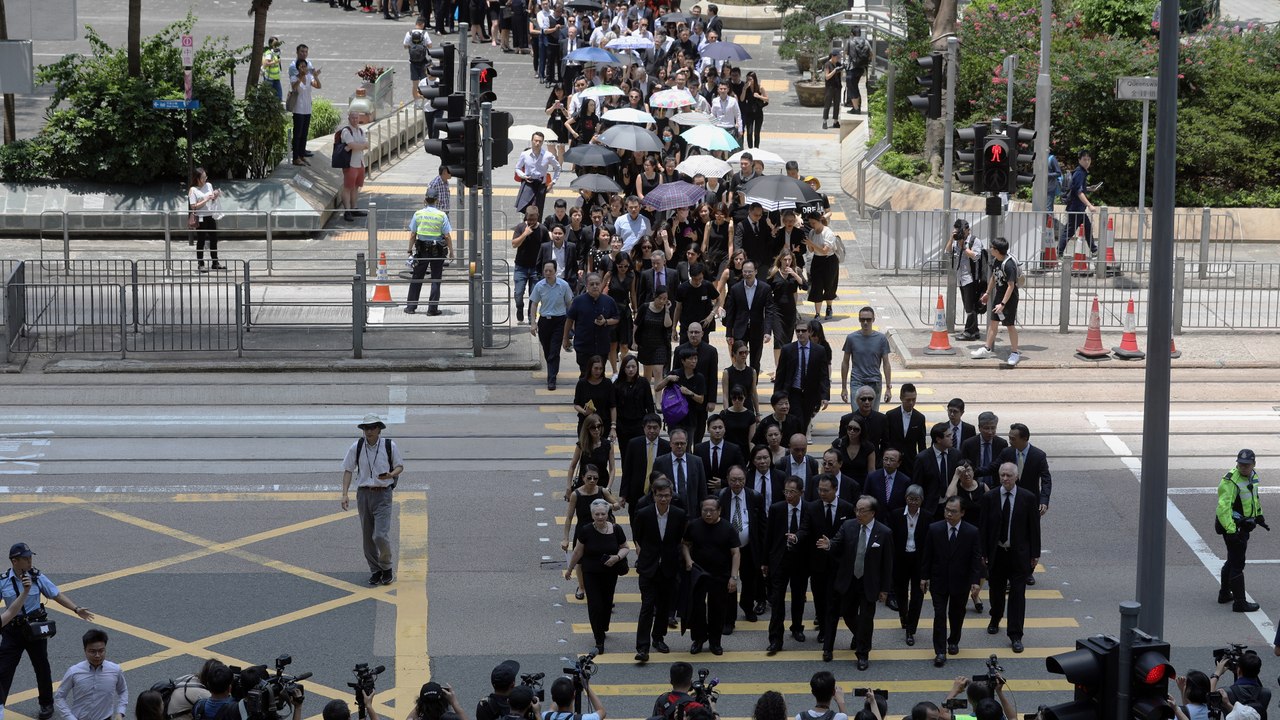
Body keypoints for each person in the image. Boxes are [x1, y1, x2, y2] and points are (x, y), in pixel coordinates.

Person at [1, 545, 95, 720]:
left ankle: (46, 703)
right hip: (12, 631)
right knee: (4, 669)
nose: (30, 561)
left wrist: (76, 609)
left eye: (30, 557)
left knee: (42, 667)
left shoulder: (37, 577)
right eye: (26, 558)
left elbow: (56, 594)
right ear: (15, 561)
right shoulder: (3, 581)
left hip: (34, 630)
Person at [816, 495, 892, 669]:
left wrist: (885, 589)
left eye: (862, 511)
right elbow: (837, 542)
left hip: (869, 582)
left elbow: (887, 564)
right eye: (856, 509)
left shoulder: (884, 532)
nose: (858, 513)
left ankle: (863, 654)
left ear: (872, 513)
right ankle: (861, 637)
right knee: (848, 613)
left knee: (866, 618)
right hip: (849, 579)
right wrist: (829, 545)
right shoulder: (848, 526)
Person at [980, 462, 1040, 654]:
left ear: (1016, 477)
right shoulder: (990, 497)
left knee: (1017, 595)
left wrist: (1035, 554)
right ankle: (995, 617)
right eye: (1002, 475)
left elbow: (1034, 528)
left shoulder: (1028, 498)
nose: (1005, 479)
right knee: (996, 591)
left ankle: (1015, 635)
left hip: (1019, 555)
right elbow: (984, 527)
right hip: (997, 553)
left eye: (1009, 475)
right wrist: (983, 552)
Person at [340, 414, 405, 586]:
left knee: (380, 535)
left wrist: (391, 475)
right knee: (368, 537)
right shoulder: (357, 446)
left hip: (383, 495)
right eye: (365, 428)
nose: (368, 431)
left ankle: (387, 567)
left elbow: (399, 466)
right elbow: (348, 470)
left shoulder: (389, 446)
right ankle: (375, 570)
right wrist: (344, 494)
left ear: (379, 429)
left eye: (372, 428)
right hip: (364, 495)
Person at [919, 497, 983, 667]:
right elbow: (927, 555)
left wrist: (975, 581)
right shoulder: (934, 529)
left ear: (962, 513)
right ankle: (940, 651)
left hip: (960, 581)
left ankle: (953, 640)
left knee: (957, 613)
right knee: (939, 614)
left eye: (953, 511)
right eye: (947, 510)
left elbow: (975, 559)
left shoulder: (971, 532)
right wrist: (924, 577)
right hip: (939, 580)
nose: (948, 514)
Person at [632, 477, 688, 662]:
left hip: (669, 567)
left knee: (664, 607)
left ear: (671, 496)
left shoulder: (679, 514)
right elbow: (638, 536)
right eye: (660, 496)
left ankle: (658, 638)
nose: (663, 499)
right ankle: (642, 647)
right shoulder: (644, 514)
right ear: (654, 496)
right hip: (648, 567)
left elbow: (679, 539)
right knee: (647, 606)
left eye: (667, 495)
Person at [565, 498, 631, 654]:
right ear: (592, 515)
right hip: (591, 574)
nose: (600, 517)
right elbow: (578, 552)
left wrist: (617, 557)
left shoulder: (616, 529)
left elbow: (625, 547)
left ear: (608, 514)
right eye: (597, 514)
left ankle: (603, 626)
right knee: (595, 606)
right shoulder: (586, 530)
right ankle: (599, 640)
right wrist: (570, 569)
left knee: (607, 604)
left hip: (610, 573)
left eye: (603, 514)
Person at [682, 497, 740, 656]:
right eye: (704, 510)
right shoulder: (694, 525)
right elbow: (685, 544)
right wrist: (688, 560)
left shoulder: (728, 528)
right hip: (698, 574)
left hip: (720, 575)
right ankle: (698, 639)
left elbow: (735, 553)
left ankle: (715, 641)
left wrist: (733, 577)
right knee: (697, 608)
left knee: (718, 609)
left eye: (711, 511)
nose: (708, 514)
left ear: (719, 511)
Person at [764, 477, 810, 654]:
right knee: (777, 600)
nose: (788, 495)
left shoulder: (809, 508)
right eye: (786, 491)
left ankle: (797, 627)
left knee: (798, 597)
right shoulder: (777, 508)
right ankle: (775, 638)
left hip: (801, 561)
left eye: (792, 492)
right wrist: (765, 561)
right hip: (780, 559)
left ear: (801, 493)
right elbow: (769, 535)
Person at [1215, 449, 1263, 613]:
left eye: (1246, 465)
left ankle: (1224, 594)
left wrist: (1259, 515)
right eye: (1240, 464)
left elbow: (1254, 498)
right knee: (1237, 563)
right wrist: (1231, 531)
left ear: (1253, 464)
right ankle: (1240, 603)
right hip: (1233, 527)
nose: (1243, 467)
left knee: (1232, 559)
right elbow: (1223, 508)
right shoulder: (1231, 481)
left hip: (1242, 526)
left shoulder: (1253, 476)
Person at [719, 465, 766, 632]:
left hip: (749, 548)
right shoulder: (721, 496)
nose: (737, 483)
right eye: (733, 480)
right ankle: (728, 619)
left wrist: (763, 553)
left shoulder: (755, 496)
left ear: (745, 479)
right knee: (729, 582)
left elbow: (762, 526)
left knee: (750, 581)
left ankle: (747, 606)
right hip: (728, 550)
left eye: (740, 480)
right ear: (727, 479)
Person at [52, 629, 127, 720]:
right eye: (92, 651)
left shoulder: (115, 670)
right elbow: (60, 696)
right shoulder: (74, 672)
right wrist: (70, 717)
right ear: (85, 650)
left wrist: (120, 712)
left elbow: (123, 691)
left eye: (101, 651)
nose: (97, 655)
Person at [970, 236, 1021, 365]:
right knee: (993, 323)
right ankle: (987, 348)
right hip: (999, 295)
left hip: (1009, 299)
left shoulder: (1009, 265)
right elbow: (994, 277)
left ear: (997, 250)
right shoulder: (996, 261)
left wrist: (1003, 304)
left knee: (1010, 325)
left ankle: (1015, 353)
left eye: (992, 247)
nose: (990, 249)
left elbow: (1011, 286)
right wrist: (987, 292)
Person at [888, 485, 928, 647]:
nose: (913, 502)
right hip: (900, 560)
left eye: (916, 499)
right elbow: (890, 539)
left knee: (918, 596)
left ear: (921, 501)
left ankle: (911, 630)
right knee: (901, 594)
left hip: (919, 561)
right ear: (905, 499)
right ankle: (904, 616)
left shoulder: (927, 517)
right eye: (910, 498)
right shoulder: (896, 515)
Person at [773, 323, 829, 434]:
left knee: (804, 423)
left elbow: (823, 375)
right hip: (793, 393)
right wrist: (776, 396)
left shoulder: (819, 350)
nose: (800, 333)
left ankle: (798, 442)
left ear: (809, 332)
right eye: (798, 331)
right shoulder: (787, 349)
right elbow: (780, 375)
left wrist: (825, 396)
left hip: (811, 394)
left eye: (803, 331)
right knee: (797, 421)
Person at [404, 190, 453, 316]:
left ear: (425, 200)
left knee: (417, 277)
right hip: (438, 251)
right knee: (436, 279)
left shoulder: (418, 214)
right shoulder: (441, 215)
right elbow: (447, 236)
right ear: (437, 200)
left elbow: (413, 234)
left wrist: (409, 250)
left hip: (422, 251)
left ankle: (411, 307)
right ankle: (432, 309)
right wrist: (451, 252)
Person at [723, 260, 776, 372]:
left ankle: (753, 382)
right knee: (739, 359)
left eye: (750, 271)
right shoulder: (735, 289)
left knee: (755, 361)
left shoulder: (765, 288)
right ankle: (740, 381)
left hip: (757, 329)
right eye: (745, 271)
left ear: (756, 271)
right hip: (739, 329)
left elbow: (769, 311)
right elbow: (730, 312)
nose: (747, 274)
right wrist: (729, 333)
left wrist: (767, 331)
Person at [564, 273, 620, 376]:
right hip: (584, 346)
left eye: (597, 284)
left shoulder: (609, 301)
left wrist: (606, 322)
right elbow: (569, 320)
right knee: (585, 374)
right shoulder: (578, 301)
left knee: (599, 374)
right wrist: (565, 338)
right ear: (587, 286)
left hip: (602, 346)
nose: (595, 286)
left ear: (601, 284)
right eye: (592, 284)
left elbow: (616, 318)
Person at [530, 261, 574, 391]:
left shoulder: (563, 285)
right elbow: (534, 304)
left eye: (550, 271)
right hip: (544, 321)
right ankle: (553, 369)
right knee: (547, 350)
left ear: (556, 271)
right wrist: (533, 323)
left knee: (554, 351)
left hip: (559, 321)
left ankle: (551, 379)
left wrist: (572, 322)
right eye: (546, 271)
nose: (548, 273)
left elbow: (570, 304)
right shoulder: (539, 286)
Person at [840, 306, 892, 411]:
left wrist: (888, 388)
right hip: (857, 382)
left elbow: (886, 363)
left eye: (868, 319)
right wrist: (844, 388)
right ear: (859, 320)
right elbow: (845, 362)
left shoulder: (881, 339)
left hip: (875, 382)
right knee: (857, 414)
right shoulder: (851, 338)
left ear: (873, 319)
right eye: (862, 319)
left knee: (873, 416)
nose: (865, 322)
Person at [944, 220, 986, 341]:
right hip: (961, 277)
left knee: (970, 306)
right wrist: (951, 239)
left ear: (968, 230)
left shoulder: (974, 241)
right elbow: (947, 252)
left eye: (962, 231)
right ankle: (975, 330)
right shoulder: (956, 241)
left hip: (971, 278)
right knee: (969, 305)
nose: (961, 233)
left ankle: (969, 332)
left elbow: (975, 256)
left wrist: (963, 246)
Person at [513, 207, 552, 324]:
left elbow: (547, 248)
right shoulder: (520, 227)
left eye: (534, 220)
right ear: (526, 217)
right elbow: (514, 244)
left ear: (537, 217)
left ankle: (531, 317)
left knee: (534, 295)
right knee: (518, 293)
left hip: (536, 268)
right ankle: (519, 307)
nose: (531, 222)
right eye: (529, 220)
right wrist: (524, 234)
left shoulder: (543, 229)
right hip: (521, 267)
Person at [1057, 149, 1098, 258]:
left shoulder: (1081, 172)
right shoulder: (1080, 173)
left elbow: (1077, 188)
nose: (1087, 162)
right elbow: (1079, 192)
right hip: (1076, 208)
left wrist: (1088, 188)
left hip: (1078, 208)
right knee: (1069, 231)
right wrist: (1089, 205)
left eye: (1089, 159)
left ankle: (1094, 250)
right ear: (1079, 160)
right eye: (1084, 159)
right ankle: (1059, 252)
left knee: (1087, 228)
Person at [1211, 653, 1272, 720]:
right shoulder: (1266, 693)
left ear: (1239, 670)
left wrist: (1216, 674)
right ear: (1258, 671)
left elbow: (1209, 699)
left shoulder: (1226, 693)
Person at [515, 132, 562, 217]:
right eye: (536, 141)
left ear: (543, 142)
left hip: (541, 185)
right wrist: (523, 176)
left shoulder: (548, 155)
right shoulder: (525, 154)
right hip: (528, 183)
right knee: (526, 208)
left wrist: (552, 182)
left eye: (540, 141)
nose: (537, 143)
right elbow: (517, 168)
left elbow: (558, 168)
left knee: (538, 210)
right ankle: (527, 223)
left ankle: (536, 224)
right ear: (532, 141)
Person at [884, 384, 927, 473]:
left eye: (914, 399)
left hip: (910, 462)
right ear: (901, 398)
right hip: (892, 461)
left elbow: (922, 444)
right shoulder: (891, 415)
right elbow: (886, 440)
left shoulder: (919, 418)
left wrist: (923, 464)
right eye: (908, 400)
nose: (911, 403)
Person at [188, 168, 225, 272]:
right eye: (203, 177)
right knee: (201, 240)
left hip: (210, 215)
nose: (205, 179)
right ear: (197, 178)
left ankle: (215, 262)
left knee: (214, 239)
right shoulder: (193, 190)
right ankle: (201, 264)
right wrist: (205, 199)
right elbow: (193, 206)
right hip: (200, 217)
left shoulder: (209, 185)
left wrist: (215, 195)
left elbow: (212, 199)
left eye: (206, 177)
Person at [289, 57, 321, 166]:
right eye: (301, 66)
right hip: (298, 109)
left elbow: (318, 86)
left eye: (305, 66)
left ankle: (302, 155)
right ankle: (295, 157)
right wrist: (301, 77)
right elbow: (294, 87)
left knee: (304, 133)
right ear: (298, 68)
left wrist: (315, 77)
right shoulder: (294, 77)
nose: (304, 68)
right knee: (297, 134)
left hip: (307, 108)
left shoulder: (309, 77)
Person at [841, 27, 871, 113]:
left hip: (852, 68)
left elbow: (846, 53)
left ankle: (856, 109)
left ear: (852, 34)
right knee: (855, 86)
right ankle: (857, 107)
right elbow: (871, 54)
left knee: (852, 88)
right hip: (861, 68)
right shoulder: (866, 42)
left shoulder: (850, 42)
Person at [739, 71, 768, 149]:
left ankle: (756, 148)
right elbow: (742, 99)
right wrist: (744, 89)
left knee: (756, 133)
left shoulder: (760, 87)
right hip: (749, 113)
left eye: (750, 79)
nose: (749, 81)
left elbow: (767, 99)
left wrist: (759, 96)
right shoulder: (746, 88)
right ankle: (750, 148)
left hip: (758, 113)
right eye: (747, 79)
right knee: (749, 132)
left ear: (754, 79)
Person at [821, 50, 842, 130]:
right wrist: (834, 70)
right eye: (837, 57)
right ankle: (824, 121)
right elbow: (827, 77)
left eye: (839, 57)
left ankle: (835, 121)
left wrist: (841, 69)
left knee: (837, 104)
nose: (838, 58)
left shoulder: (838, 64)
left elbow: (840, 75)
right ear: (832, 57)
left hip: (837, 87)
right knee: (827, 104)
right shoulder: (827, 64)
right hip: (830, 87)